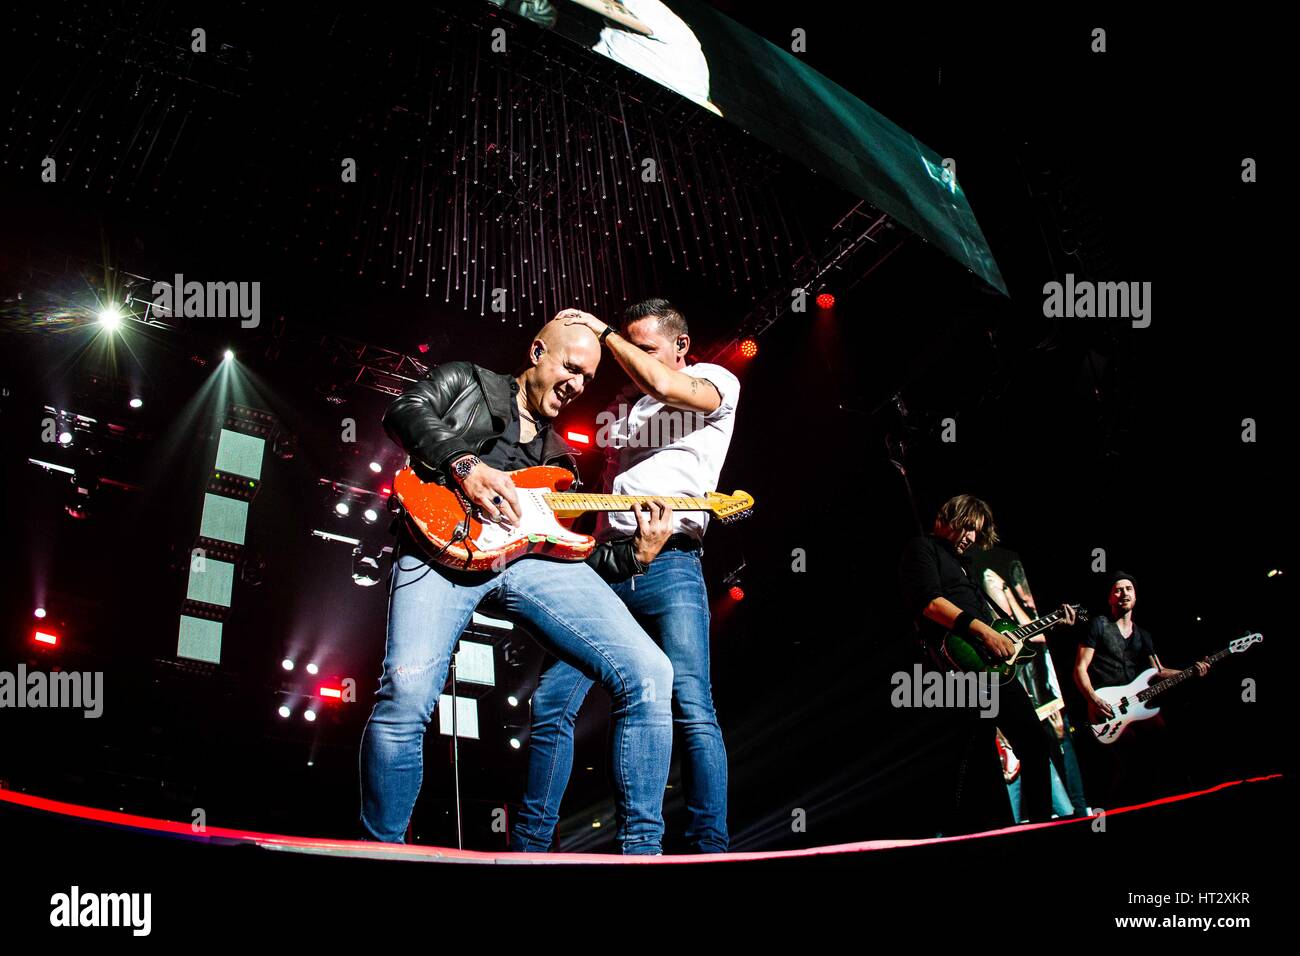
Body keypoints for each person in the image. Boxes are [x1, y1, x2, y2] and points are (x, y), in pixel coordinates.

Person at [359, 312, 676, 854]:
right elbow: (404, 409)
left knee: (651, 672)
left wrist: (637, 556)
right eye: (571, 368)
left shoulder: (562, 460)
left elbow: (575, 553)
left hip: (524, 563)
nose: (577, 385)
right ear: (537, 353)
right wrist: (464, 465)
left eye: (587, 379)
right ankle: (380, 852)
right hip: (440, 544)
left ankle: (642, 854)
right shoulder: (468, 382)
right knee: (406, 697)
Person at [513, 298, 739, 852]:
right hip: (607, 564)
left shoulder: (715, 380)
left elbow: (669, 388)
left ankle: (707, 847)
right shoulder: (623, 408)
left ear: (680, 346)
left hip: (673, 563)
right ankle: (529, 846)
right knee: (551, 701)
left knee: (691, 704)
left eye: (646, 348)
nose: (632, 359)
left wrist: (605, 332)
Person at [898, 495, 1076, 832]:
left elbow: (1002, 628)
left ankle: (1038, 828)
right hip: (959, 665)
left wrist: (1041, 626)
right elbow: (929, 603)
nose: (971, 538)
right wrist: (983, 633)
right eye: (968, 527)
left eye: (976, 533)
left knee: (1035, 745)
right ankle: (970, 832)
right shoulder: (922, 549)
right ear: (949, 517)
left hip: (993, 668)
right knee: (977, 756)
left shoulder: (964, 565)